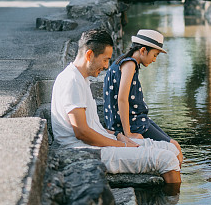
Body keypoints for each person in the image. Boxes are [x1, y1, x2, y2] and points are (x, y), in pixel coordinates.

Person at [51, 28, 181, 183]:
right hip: (86, 151)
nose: (107, 66)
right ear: (89, 55)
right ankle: (171, 202)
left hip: (102, 142)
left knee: (171, 148)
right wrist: (122, 145)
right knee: (167, 160)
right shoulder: (71, 80)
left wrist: (118, 135)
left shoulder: (81, 79)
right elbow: (82, 133)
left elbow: (91, 127)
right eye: (105, 60)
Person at [103, 29, 182, 164]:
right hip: (134, 123)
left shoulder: (123, 60)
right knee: (175, 147)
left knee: (174, 144)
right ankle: (175, 181)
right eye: (155, 55)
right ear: (143, 50)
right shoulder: (130, 64)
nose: (155, 60)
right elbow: (122, 99)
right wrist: (127, 134)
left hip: (139, 119)